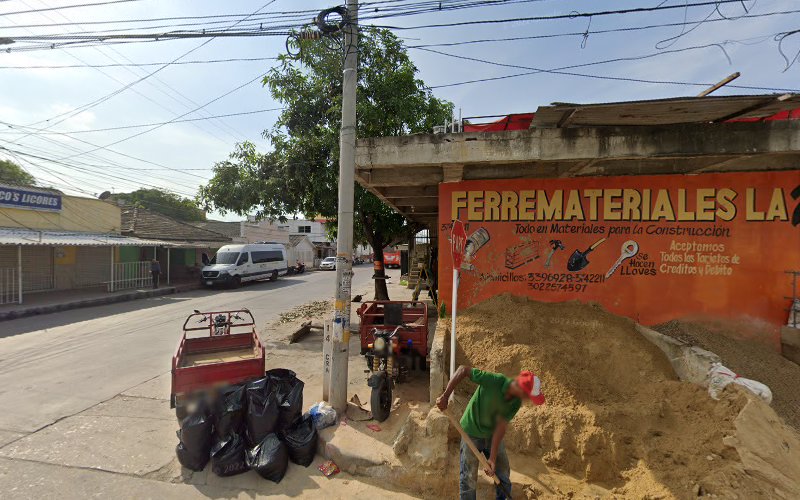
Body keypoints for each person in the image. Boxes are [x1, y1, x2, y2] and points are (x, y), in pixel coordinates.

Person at [437, 365, 545, 500]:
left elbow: (500, 427)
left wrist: (492, 459)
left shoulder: (515, 403)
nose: (527, 400)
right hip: (471, 430)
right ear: (522, 390)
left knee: (503, 473)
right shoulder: (494, 380)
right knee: (468, 477)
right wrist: (445, 396)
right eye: (528, 396)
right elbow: (463, 370)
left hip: (491, 434)